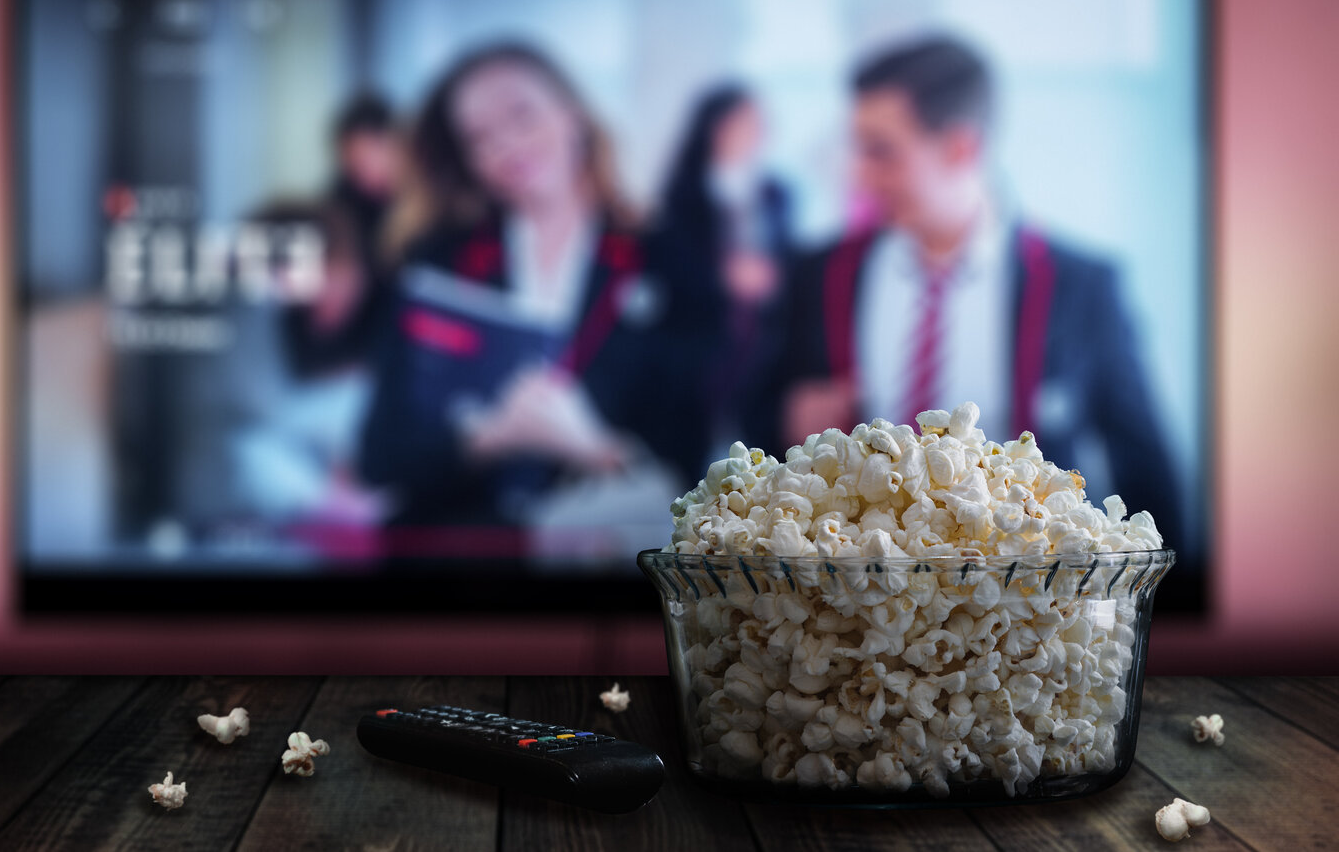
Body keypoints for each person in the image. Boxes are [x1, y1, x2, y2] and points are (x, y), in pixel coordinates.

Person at [770, 34, 1182, 556]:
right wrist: (790, 424)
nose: (859, 174)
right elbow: (756, 425)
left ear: (961, 148)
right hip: (853, 602)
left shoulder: (1083, 287)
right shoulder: (819, 274)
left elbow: (1147, 469)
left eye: (881, 152)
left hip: (1028, 610)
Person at [362, 41, 677, 539]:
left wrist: (591, 445)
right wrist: (485, 439)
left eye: (522, 116)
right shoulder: (439, 266)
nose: (506, 144)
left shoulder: (665, 258)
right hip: (466, 562)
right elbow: (380, 457)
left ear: (573, 114)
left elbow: (696, 456)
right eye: (480, 139)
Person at [644, 83, 795, 482]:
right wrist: (724, 277)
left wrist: (770, 278)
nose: (757, 132)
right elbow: (668, 268)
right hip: (701, 347)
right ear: (716, 127)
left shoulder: (777, 193)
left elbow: (790, 260)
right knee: (693, 464)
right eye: (746, 122)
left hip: (763, 345)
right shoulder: (683, 194)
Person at [280, 92, 405, 378]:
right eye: (353, 164)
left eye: (368, 157)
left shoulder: (420, 202)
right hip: (347, 355)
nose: (363, 173)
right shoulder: (335, 205)